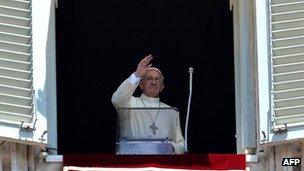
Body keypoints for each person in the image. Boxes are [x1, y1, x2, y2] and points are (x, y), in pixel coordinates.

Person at [111, 54, 185, 154]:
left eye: (157, 79)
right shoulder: (129, 103)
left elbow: (181, 144)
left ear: (162, 87)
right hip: (132, 162)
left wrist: (172, 148)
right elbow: (117, 99)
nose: (153, 82)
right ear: (141, 84)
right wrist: (137, 75)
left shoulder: (171, 111)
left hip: (162, 164)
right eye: (149, 79)